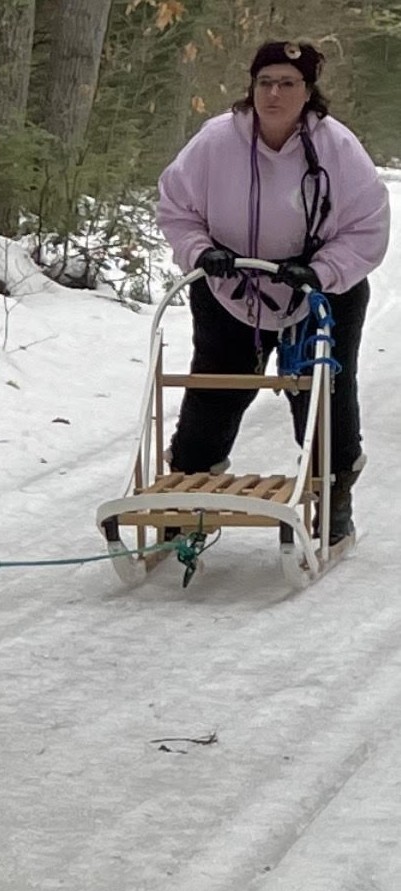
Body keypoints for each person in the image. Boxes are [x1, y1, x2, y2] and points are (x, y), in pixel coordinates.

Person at [156, 40, 390, 543]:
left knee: (322, 393)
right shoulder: (216, 142)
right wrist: (200, 251)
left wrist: (321, 271)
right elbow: (176, 206)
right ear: (252, 87)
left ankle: (334, 494)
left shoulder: (338, 148)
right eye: (265, 83)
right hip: (230, 285)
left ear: (307, 91)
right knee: (215, 389)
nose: (274, 94)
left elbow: (368, 226)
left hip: (321, 293)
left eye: (287, 83)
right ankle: (187, 494)